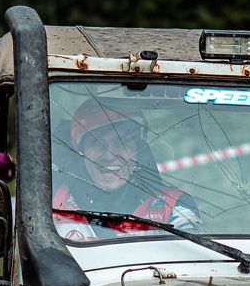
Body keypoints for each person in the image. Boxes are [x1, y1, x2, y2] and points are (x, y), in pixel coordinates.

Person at [51, 100, 202, 241]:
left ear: (137, 151)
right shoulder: (53, 200)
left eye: (121, 143)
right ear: (81, 152)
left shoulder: (173, 207)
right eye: (97, 144)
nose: (110, 156)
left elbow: (194, 263)